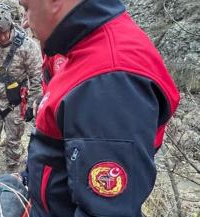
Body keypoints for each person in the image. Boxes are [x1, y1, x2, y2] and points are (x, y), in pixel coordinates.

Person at [18, 0, 180, 216]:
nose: (26, 22)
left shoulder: (109, 79)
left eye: (27, 7)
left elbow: (105, 210)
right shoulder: (84, 49)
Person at [0, 3, 42, 174]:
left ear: (10, 25)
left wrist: (32, 104)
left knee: (14, 142)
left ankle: (13, 173)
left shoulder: (27, 46)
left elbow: (36, 77)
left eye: (3, 32)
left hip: (15, 103)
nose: (1, 37)